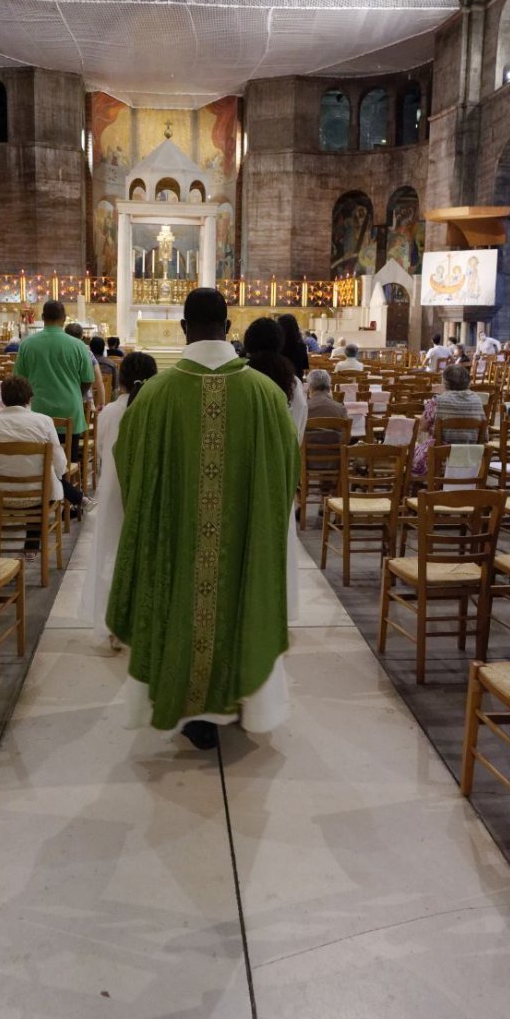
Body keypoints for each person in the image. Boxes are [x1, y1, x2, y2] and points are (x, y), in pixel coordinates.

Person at [106, 288, 300, 749]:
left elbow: (129, 470)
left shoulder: (153, 396)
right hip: (240, 550)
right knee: (238, 601)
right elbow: (285, 474)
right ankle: (240, 702)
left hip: (178, 547)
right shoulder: (266, 396)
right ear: (229, 329)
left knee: (183, 604)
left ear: (183, 328)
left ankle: (189, 707)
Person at [81, 352, 158, 645]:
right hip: (147, 489)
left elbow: (101, 451)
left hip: (114, 489)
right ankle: (145, 622)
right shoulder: (157, 408)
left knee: (112, 553)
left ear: (122, 379)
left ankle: (112, 624)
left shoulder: (111, 412)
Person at [243, 316, 307, 623]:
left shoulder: (243, 377)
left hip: (247, 468)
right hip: (282, 468)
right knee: (280, 537)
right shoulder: (293, 382)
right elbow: (299, 428)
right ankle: (277, 608)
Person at [0, 375, 70, 551]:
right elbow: (60, 464)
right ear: (29, 397)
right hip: (40, 495)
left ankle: (22, 553)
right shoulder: (44, 421)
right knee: (49, 488)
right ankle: (31, 552)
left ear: (3, 399)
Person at [14, 301, 93, 459]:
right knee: (70, 462)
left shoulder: (27, 345)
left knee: (41, 462)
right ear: (64, 319)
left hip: (39, 409)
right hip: (70, 410)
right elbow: (88, 379)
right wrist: (77, 393)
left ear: (43, 317)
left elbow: (19, 379)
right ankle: (67, 483)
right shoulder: (78, 345)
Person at [412, 364, 486, 476]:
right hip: (470, 455)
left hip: (442, 455)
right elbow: (485, 435)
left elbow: (422, 427)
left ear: (445, 382)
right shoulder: (477, 400)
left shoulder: (438, 400)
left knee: (413, 454)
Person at [66, 322, 105, 409]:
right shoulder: (87, 353)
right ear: (81, 337)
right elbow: (99, 379)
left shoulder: (60, 353)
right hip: (85, 402)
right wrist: (102, 402)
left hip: (64, 399)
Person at [277, 313, 309, 377]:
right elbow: (304, 367)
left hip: (279, 380)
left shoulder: (277, 346)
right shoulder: (302, 346)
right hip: (296, 381)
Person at [90, 335, 118, 401]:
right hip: (106, 401)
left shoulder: (85, 363)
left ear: (90, 348)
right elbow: (115, 386)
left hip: (88, 404)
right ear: (103, 348)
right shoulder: (111, 364)